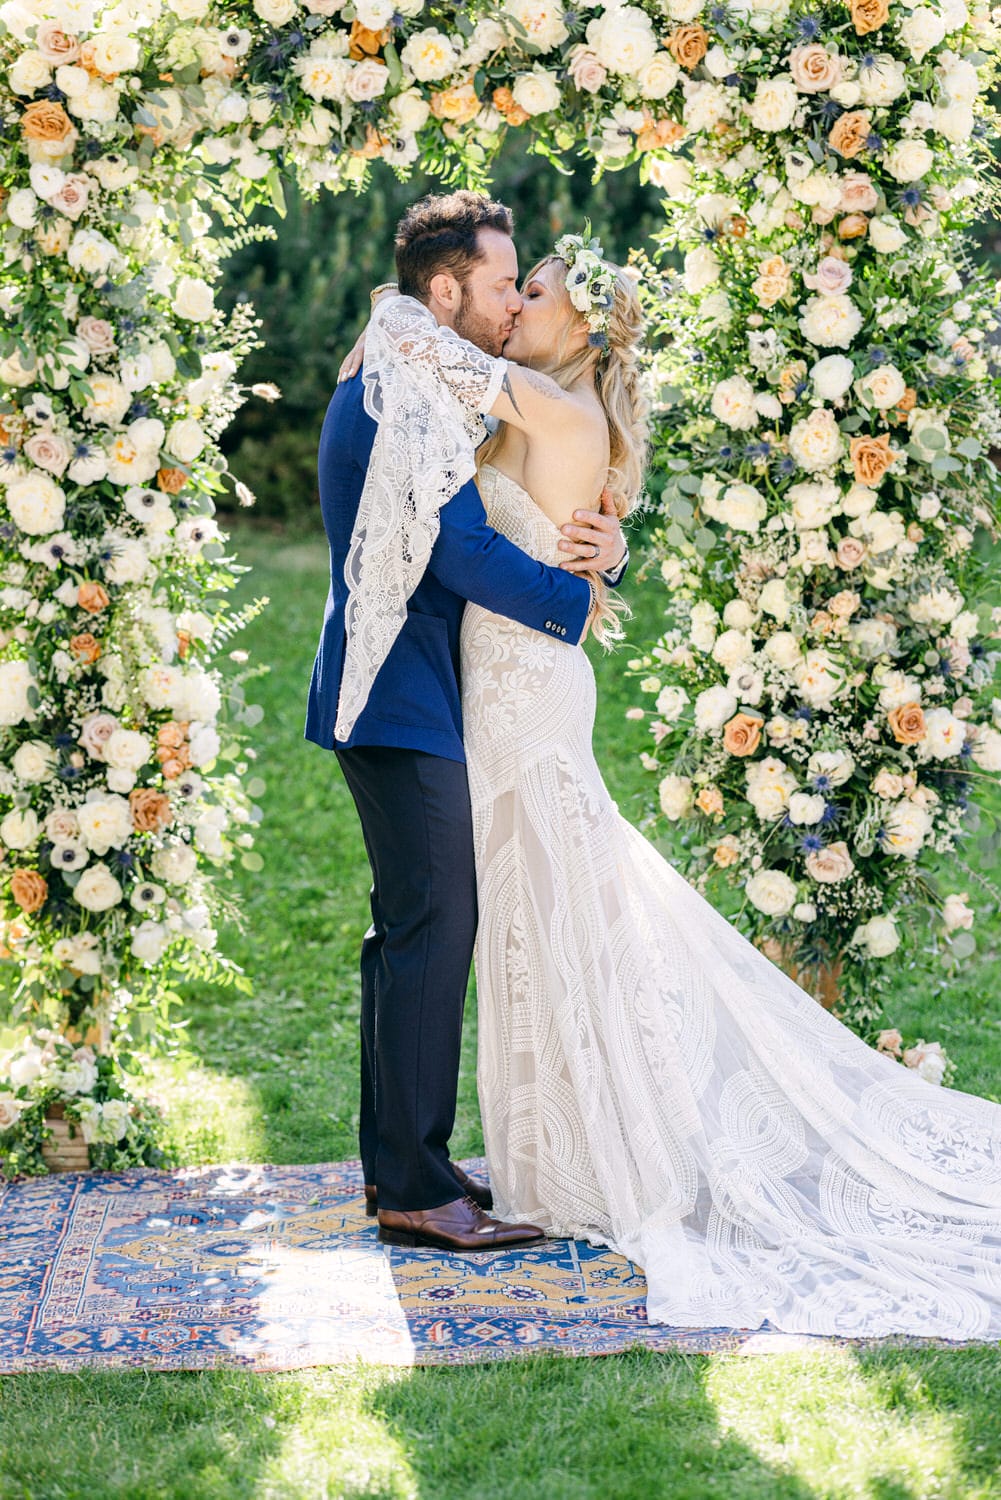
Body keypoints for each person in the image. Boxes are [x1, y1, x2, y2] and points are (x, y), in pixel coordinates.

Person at [365, 229, 1001, 1338]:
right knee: (535, 912)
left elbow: (431, 360)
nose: (514, 305)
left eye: (537, 292)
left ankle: (596, 1150)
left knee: (549, 910)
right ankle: (555, 1150)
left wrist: (395, 308)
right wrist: (607, 553)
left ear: (585, 324)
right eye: (513, 288)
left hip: (522, 686)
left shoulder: (551, 409)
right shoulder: (552, 412)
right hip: (507, 679)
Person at [304, 192, 628, 1253]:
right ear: (442, 291)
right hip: (399, 702)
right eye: (498, 286)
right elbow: (452, 548)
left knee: (415, 931)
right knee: (429, 932)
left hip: (418, 696)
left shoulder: (409, 359)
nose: (505, 306)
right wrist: (572, 601)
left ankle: (409, 1165)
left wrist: (602, 554)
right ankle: (408, 1184)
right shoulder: (398, 380)